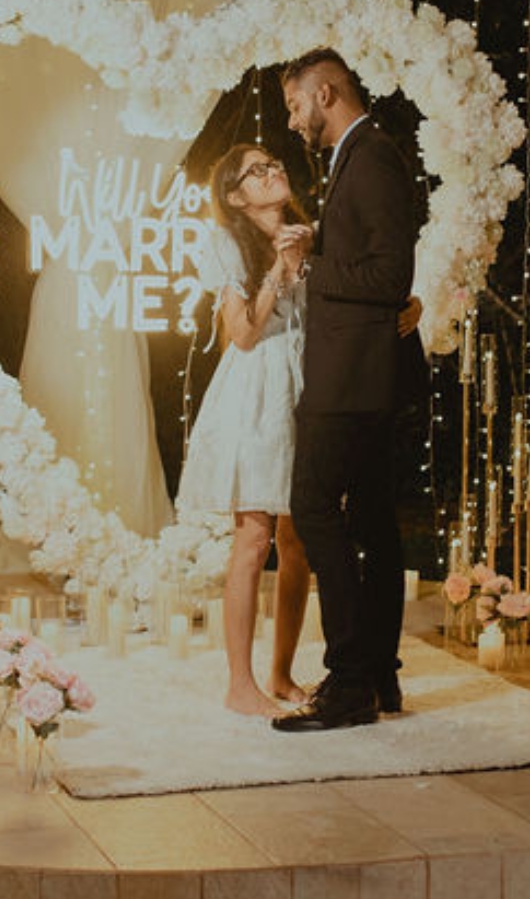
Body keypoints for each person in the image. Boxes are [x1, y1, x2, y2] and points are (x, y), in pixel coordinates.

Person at [270, 48, 428, 733]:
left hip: (354, 378)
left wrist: (312, 264)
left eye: (295, 104)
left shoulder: (374, 157)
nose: (292, 119)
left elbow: (389, 276)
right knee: (369, 521)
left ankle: (347, 681)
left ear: (326, 92)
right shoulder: (359, 158)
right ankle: (378, 676)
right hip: (363, 373)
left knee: (312, 505)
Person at [175, 142, 316, 716]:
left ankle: (281, 674)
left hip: (305, 387)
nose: (273, 170)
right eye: (257, 171)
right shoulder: (227, 242)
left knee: (299, 541)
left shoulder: (308, 233)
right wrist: (280, 272)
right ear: (235, 196)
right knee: (254, 537)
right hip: (257, 391)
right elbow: (242, 333)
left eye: (274, 162)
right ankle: (240, 684)